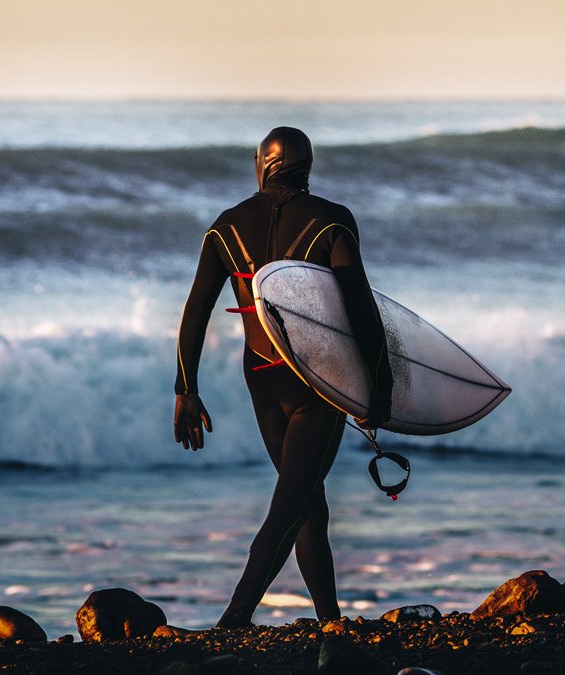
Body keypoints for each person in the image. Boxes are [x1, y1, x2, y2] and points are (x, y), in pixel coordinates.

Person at [172, 126, 393, 628]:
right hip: (318, 379)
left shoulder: (225, 227)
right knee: (295, 500)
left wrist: (185, 389)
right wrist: (379, 385)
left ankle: (330, 619)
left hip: (262, 376)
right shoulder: (332, 221)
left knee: (305, 500)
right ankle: (236, 616)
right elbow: (361, 310)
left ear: (261, 164)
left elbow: (195, 311)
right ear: (306, 167)